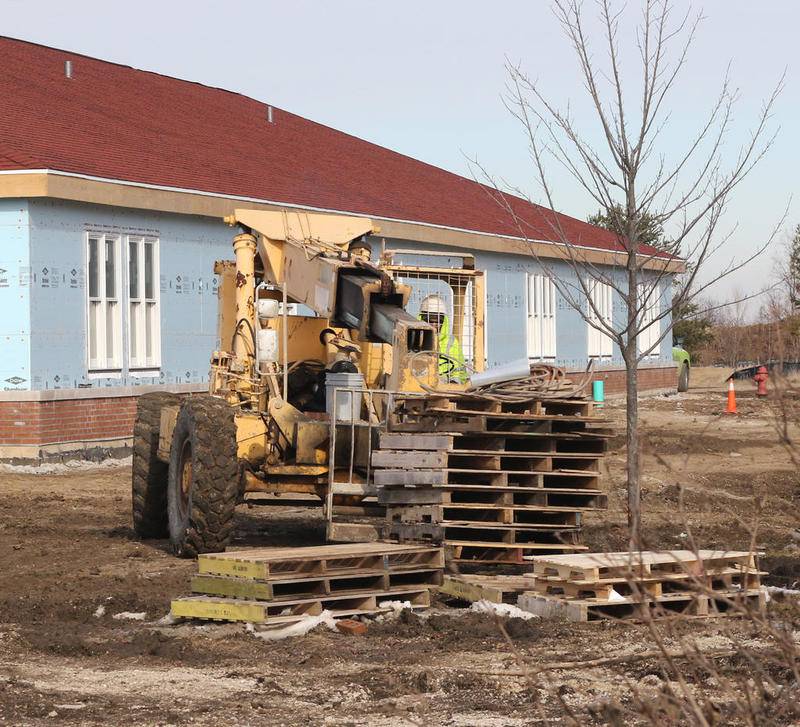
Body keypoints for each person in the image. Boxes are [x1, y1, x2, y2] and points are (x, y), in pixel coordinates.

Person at [418, 294, 467, 383]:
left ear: (443, 321)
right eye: (430, 320)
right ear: (422, 319)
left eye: (438, 321)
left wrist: (452, 383)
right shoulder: (413, 339)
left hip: (445, 390)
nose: (434, 324)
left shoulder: (451, 342)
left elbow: (459, 372)